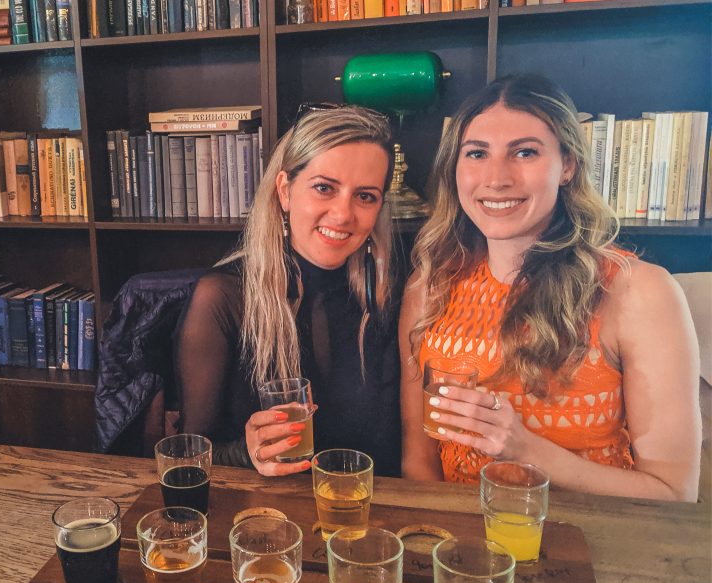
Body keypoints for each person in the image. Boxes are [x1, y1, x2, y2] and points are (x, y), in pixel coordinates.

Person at [400, 74, 701, 501]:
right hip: (465, 554)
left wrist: (528, 452)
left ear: (569, 165)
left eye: (525, 152)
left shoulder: (638, 291)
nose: (497, 178)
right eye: (477, 153)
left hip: (594, 548)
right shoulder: (429, 287)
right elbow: (419, 461)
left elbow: (673, 494)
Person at [174, 104, 402, 477]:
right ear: (285, 191)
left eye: (365, 196)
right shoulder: (223, 297)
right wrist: (248, 452)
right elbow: (189, 456)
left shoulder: (389, 294)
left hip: (367, 512)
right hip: (266, 521)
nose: (343, 214)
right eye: (324, 188)